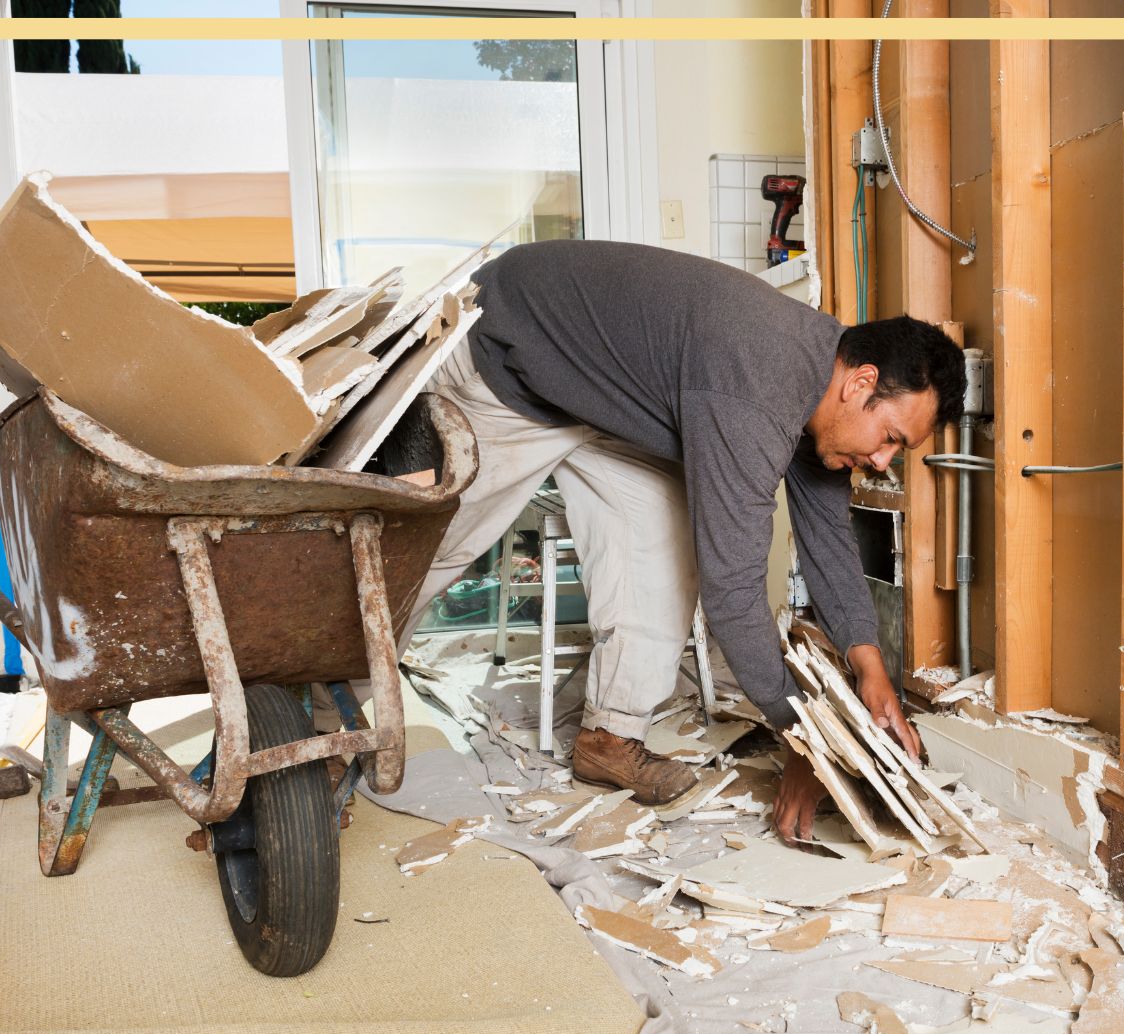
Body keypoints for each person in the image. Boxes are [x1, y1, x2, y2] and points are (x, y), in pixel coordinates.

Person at [408, 239, 965, 846]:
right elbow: (733, 593)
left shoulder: (819, 392)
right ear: (861, 383)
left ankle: (608, 739)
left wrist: (870, 665)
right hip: (509, 362)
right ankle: (340, 716)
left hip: (608, 401)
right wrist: (803, 736)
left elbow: (827, 538)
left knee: (660, 554)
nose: (883, 462)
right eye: (889, 437)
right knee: (429, 553)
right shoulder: (755, 391)